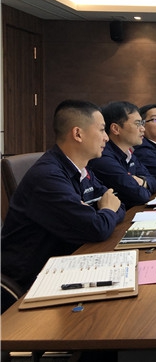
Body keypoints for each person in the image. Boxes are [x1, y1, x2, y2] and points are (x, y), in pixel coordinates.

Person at [1, 99, 125, 292]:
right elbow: (97, 227)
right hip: (32, 281)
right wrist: (106, 210)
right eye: (102, 130)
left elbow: (117, 203)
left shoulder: (82, 169)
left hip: (68, 262)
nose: (106, 138)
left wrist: (103, 211)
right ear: (78, 134)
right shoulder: (47, 177)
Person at [88, 101, 156, 209]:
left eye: (142, 123)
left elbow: (154, 181)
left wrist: (142, 181)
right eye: (137, 123)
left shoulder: (128, 153)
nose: (143, 128)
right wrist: (145, 185)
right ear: (116, 129)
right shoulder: (103, 158)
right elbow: (140, 195)